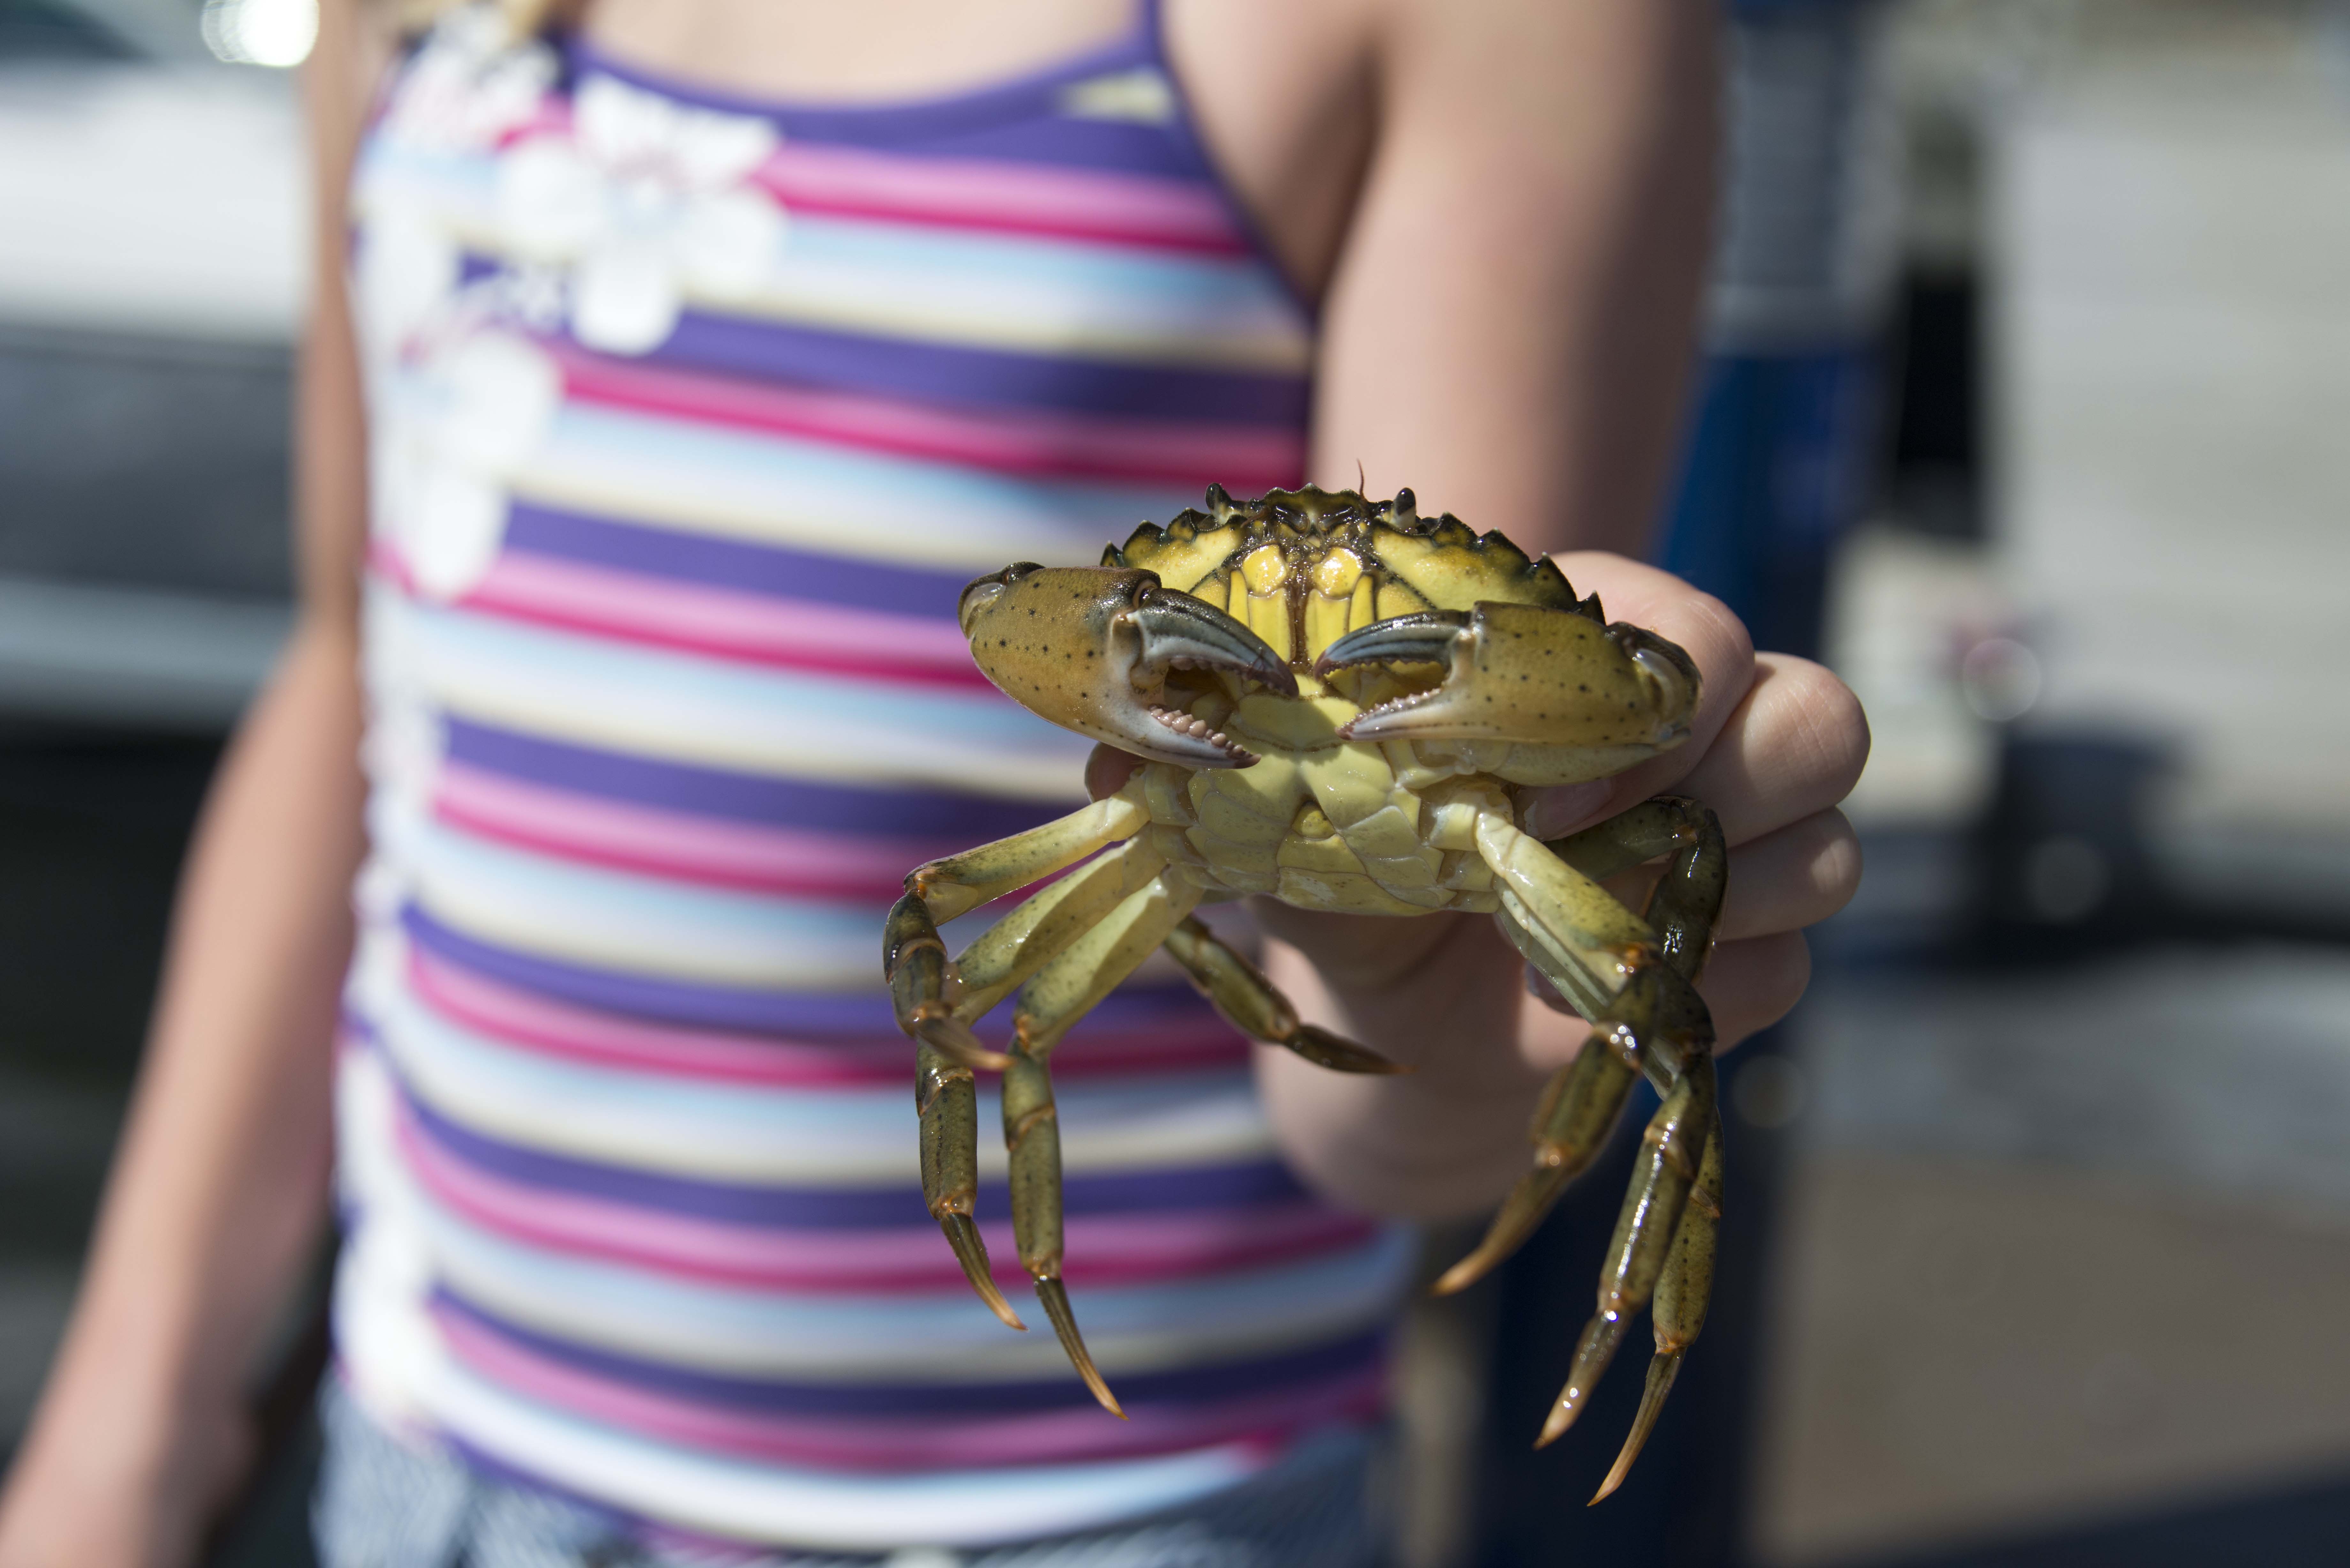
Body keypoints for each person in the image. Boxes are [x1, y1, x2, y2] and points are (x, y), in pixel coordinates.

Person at [0, 0, 1867, 1562]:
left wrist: (1413, 1005)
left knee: (1650, 1044)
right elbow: (357, 670)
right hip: (429, 1458)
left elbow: (1421, 1073)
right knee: (972, 983)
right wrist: (119, 1435)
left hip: (1102, 1509)